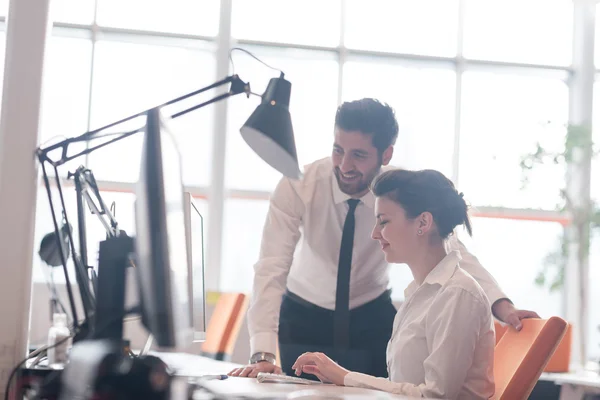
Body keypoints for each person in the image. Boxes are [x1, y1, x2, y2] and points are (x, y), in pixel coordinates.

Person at [228, 98, 538, 379]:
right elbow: (271, 267)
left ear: (386, 154)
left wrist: (502, 305)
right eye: (338, 150)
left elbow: (452, 249)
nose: (344, 166)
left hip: (370, 317)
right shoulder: (298, 185)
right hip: (303, 313)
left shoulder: (403, 192)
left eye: (359, 155)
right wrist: (263, 353)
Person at [291, 168, 495, 399]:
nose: (375, 234)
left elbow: (435, 396)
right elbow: (403, 387)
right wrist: (340, 377)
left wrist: (344, 376)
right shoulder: (422, 294)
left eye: (383, 222)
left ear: (423, 222)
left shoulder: (458, 294)